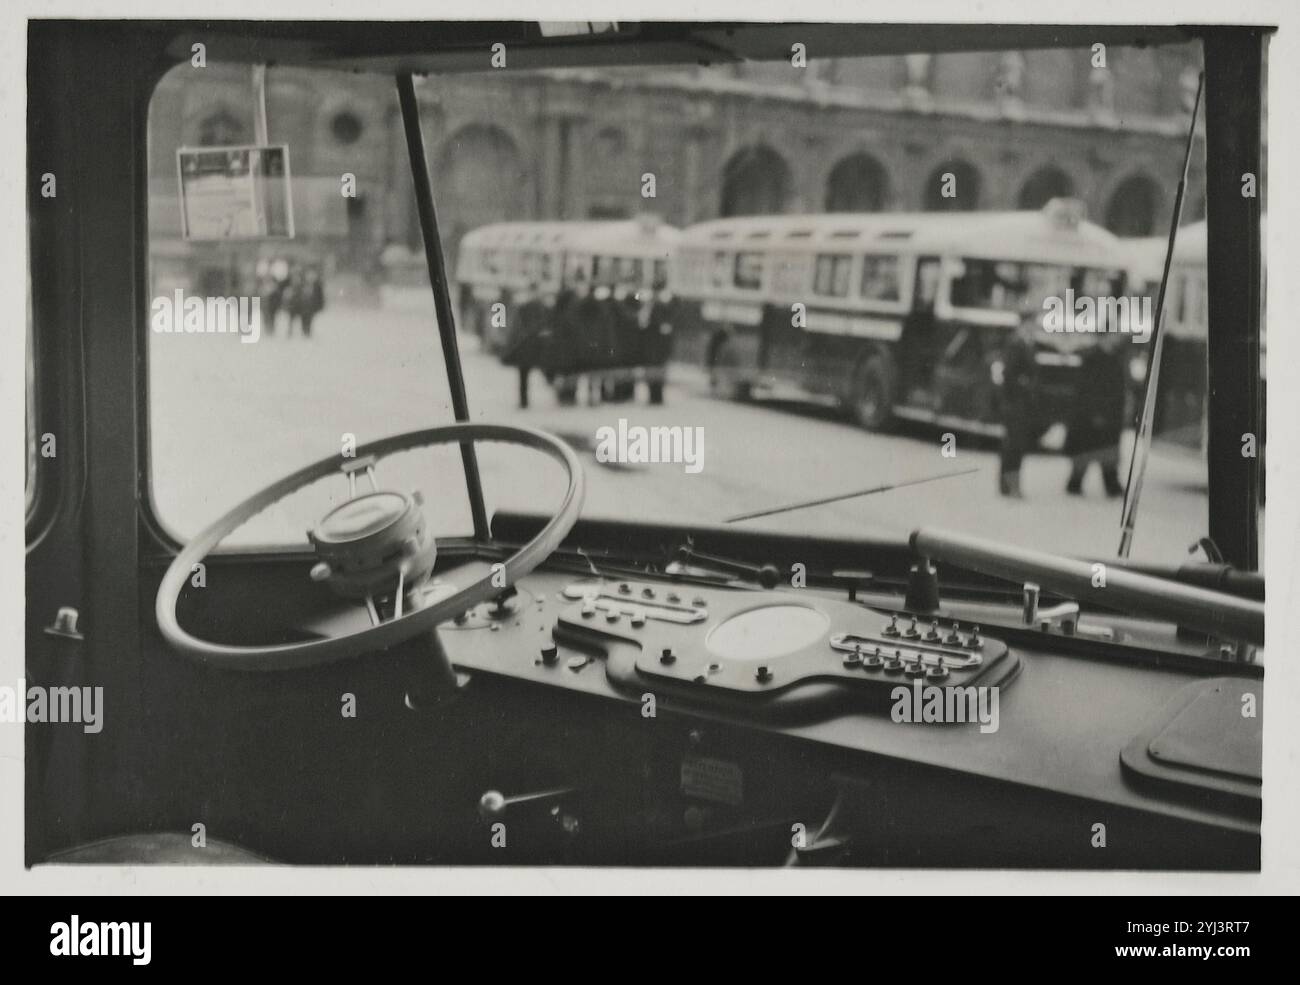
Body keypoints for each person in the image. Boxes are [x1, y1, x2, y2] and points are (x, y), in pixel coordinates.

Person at [1065, 332, 1127, 496]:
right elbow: (1087, 389)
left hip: (1108, 414)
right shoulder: (1093, 358)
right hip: (1095, 415)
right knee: (1096, 449)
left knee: (1102, 449)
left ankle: (1105, 484)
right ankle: (1081, 483)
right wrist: (1096, 412)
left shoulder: (1113, 356)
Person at [995, 308, 1042, 498]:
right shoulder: (1016, 343)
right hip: (1015, 402)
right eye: (1032, 323)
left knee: (1017, 445)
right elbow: (1009, 374)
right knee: (1013, 446)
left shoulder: (1027, 343)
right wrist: (1024, 384)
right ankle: (1009, 485)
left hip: (1022, 403)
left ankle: (1009, 485)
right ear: (1024, 323)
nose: (1035, 326)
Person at [502, 282, 547, 409]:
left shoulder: (528, 307)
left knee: (523, 374)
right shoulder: (539, 307)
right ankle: (524, 400)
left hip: (527, 344)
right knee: (524, 373)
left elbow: (518, 326)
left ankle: (524, 400)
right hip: (531, 344)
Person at [296, 266, 326, 338]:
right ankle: (304, 331)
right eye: (308, 275)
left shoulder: (317, 285)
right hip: (302, 306)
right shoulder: (302, 284)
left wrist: (320, 306)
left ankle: (307, 332)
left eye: (312, 275)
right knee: (303, 319)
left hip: (312, 306)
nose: (310, 276)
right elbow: (297, 295)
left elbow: (320, 297)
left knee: (309, 319)